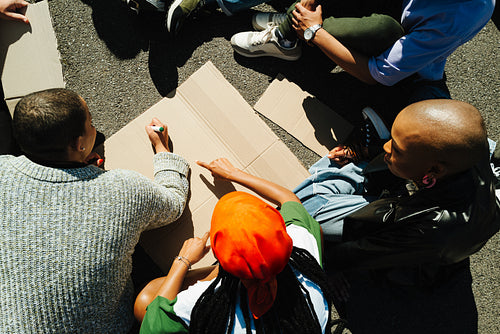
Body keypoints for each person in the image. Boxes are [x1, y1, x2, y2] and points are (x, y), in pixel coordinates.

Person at [0, 88, 190, 333]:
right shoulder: (121, 190)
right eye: (90, 123)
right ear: (79, 144)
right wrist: (163, 151)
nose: (94, 127)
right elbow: (173, 203)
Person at [293, 99, 500, 286]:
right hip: (430, 224)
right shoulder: (470, 153)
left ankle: (356, 169)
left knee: (305, 206)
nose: (386, 146)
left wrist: (321, 261)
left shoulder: (427, 226)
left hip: (416, 256)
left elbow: (363, 251)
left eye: (397, 149)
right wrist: (373, 150)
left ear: (434, 171)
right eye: (391, 139)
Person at [134, 158, 335, 333]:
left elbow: (153, 326)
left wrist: (183, 261)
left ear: (219, 256)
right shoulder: (303, 252)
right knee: (313, 227)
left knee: (145, 300)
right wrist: (234, 174)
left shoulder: (203, 304)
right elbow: (290, 200)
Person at [231, 0, 495, 103]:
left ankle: (290, 35)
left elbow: (377, 73)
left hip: (398, 48)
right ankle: (292, 23)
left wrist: (313, 32)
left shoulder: (455, 18)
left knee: (383, 30)